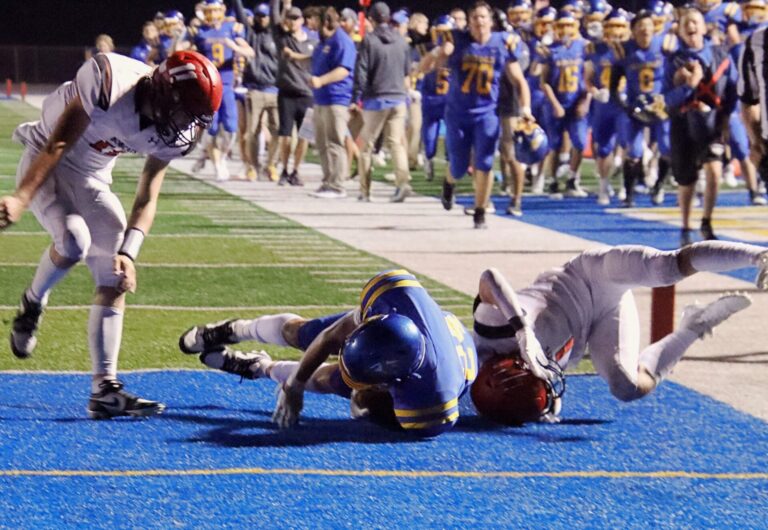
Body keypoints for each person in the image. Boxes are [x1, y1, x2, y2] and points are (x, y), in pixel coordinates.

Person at [0, 51, 223, 419]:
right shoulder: (111, 82)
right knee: (73, 241)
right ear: (163, 94)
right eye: (184, 112)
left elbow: (147, 194)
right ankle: (33, 301)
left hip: (93, 177)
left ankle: (104, 388)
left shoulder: (179, 132)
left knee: (114, 274)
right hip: (48, 156)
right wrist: (22, 197)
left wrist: (130, 253)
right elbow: (57, 145)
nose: (185, 124)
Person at [471, 241, 768, 421]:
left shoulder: (493, 332)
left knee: (664, 267)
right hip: (598, 321)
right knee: (626, 387)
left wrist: (523, 330)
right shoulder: (522, 376)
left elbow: (490, 277)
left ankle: (758, 255)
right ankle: (694, 327)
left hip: (588, 276)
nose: (550, 386)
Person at [178, 269, 478, 436]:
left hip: (441, 362)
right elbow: (330, 337)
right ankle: (235, 329)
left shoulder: (431, 403)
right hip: (415, 327)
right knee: (304, 334)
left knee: (351, 394)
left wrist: (366, 405)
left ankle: (259, 366)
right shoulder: (395, 295)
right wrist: (295, 385)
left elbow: (370, 406)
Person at [431, 0, 532, 228]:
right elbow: (437, 64)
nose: (479, 21)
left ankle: (480, 211)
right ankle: (449, 183)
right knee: (457, 165)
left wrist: (526, 110)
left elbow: (519, 81)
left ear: (490, 20)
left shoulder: (503, 43)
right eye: (475, 17)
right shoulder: (456, 39)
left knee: (485, 163)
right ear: (469, 21)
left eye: (483, 17)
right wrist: (441, 55)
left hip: (487, 113)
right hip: (458, 113)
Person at [664, 7, 738, 246]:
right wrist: (688, 86)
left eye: (696, 21)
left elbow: (733, 89)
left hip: (712, 123)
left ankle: (706, 221)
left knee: (715, 170)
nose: (691, 26)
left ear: (705, 27)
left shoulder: (721, 56)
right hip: (683, 123)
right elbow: (666, 101)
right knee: (686, 181)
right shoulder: (673, 60)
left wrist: (726, 118)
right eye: (686, 22)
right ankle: (685, 227)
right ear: (680, 30)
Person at [188, 0, 255, 181]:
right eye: (209, 11)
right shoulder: (200, 32)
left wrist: (234, 47)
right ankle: (217, 164)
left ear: (223, 10)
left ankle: (220, 156)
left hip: (226, 85)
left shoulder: (233, 28)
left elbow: (251, 52)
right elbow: (185, 53)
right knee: (212, 128)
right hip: (208, 86)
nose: (213, 14)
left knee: (232, 128)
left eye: (216, 10)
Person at [353, 2, 413, 203]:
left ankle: (365, 190)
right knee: (396, 144)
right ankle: (402, 183)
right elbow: (406, 70)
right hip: (398, 96)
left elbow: (361, 70)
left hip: (376, 98)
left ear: (371, 19)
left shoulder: (369, 40)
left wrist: (358, 95)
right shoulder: (402, 41)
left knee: (366, 146)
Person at [308, 7, 357, 198]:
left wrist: (321, 80)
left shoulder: (341, 40)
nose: (309, 24)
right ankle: (327, 181)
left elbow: (344, 69)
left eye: (312, 20)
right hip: (320, 98)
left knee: (335, 142)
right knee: (321, 143)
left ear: (324, 21)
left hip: (336, 98)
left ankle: (337, 185)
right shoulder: (323, 42)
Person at [233, 0, 280, 182]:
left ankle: (271, 165)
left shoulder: (275, 33)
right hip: (254, 89)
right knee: (253, 132)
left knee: (276, 131)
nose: (261, 19)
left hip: (274, 88)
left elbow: (276, 11)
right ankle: (252, 166)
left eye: (264, 16)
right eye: (258, 16)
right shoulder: (250, 32)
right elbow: (240, 14)